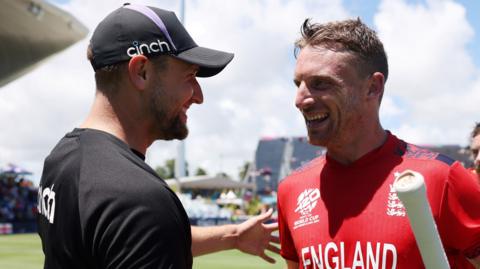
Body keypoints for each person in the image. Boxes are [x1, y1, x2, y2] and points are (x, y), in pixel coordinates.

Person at [36, 4, 279, 269]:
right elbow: (141, 225)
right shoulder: (141, 200)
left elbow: (126, 238)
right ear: (141, 72)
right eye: (190, 75)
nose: (199, 96)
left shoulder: (61, 158)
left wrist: (232, 236)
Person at [277, 18, 480, 269]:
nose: (300, 100)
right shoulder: (292, 190)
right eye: (299, 84)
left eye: (320, 83)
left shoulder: (443, 179)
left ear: (373, 87)